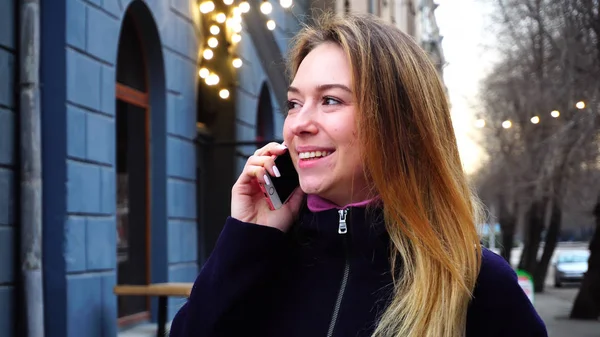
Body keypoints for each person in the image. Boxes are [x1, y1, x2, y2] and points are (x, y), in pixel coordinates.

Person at [170, 13, 547, 337]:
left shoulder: (473, 281)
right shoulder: (259, 259)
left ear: (399, 123)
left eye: (330, 100)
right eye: (294, 103)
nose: (299, 124)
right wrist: (247, 237)